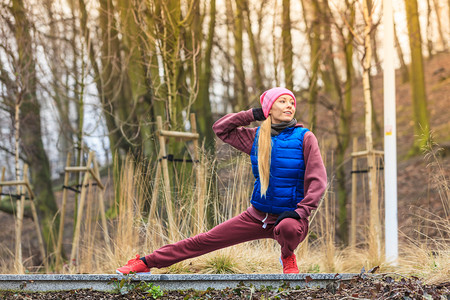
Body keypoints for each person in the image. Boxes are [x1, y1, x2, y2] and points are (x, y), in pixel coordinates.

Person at [116, 87, 327, 274]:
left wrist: (301, 212)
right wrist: (253, 114)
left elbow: (318, 180)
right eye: (282, 101)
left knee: (288, 228)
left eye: (292, 102)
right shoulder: (256, 137)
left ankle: (287, 257)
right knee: (204, 241)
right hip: (257, 216)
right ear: (269, 109)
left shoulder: (304, 137)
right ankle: (145, 262)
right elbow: (221, 128)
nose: (289, 105)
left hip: (289, 218)